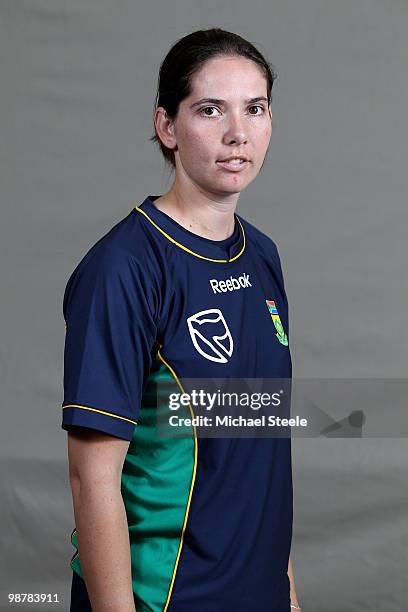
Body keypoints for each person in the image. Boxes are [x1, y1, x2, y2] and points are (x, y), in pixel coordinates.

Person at [62, 27, 301, 612]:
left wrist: (287, 593)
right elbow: (92, 482)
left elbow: (257, 454)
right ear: (167, 126)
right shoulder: (123, 269)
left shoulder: (262, 254)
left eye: (256, 108)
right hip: (166, 597)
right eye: (210, 110)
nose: (237, 133)